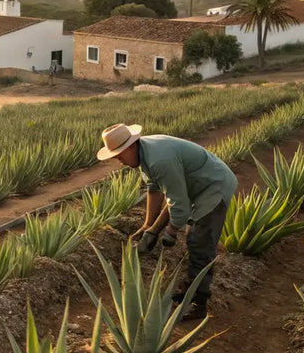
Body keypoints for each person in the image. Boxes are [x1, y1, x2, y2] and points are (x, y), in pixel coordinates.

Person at [97, 123, 237, 320]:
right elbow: (154, 189)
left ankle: (199, 303)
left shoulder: (159, 160)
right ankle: (191, 287)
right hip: (197, 185)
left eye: (119, 154)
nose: (118, 160)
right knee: (194, 237)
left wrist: (170, 230)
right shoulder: (144, 153)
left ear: (130, 146)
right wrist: (149, 226)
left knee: (199, 239)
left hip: (213, 185)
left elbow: (178, 204)